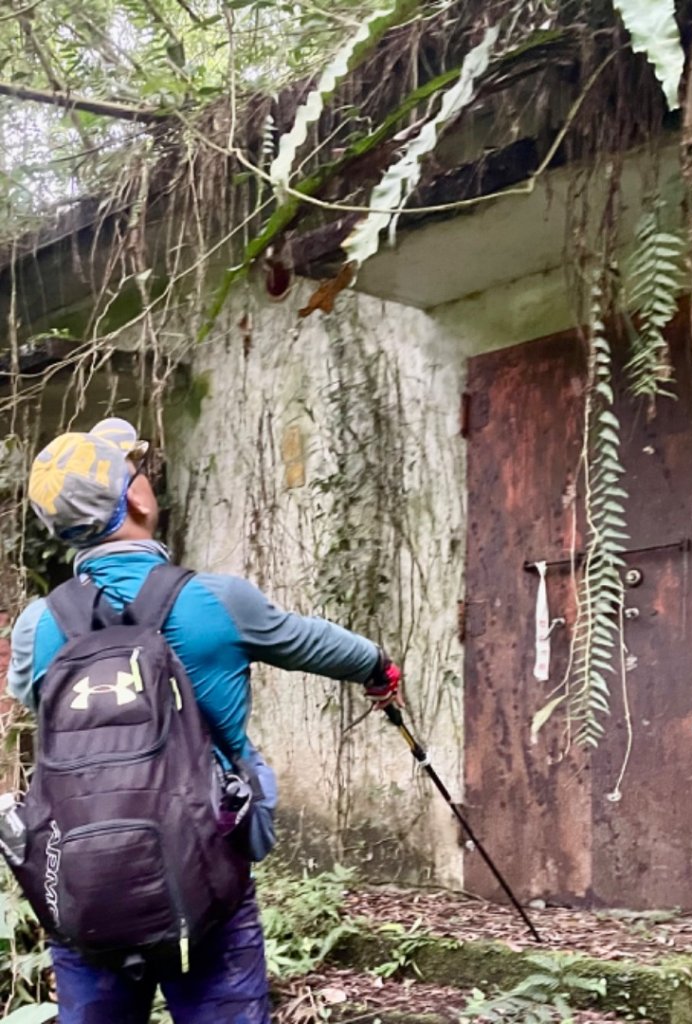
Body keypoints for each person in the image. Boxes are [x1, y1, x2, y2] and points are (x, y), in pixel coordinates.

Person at [6, 417, 402, 1024]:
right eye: (137, 472)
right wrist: (379, 668)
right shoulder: (215, 601)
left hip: (84, 881)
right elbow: (323, 645)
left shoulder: (38, 625)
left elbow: (42, 707)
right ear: (136, 496)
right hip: (205, 877)